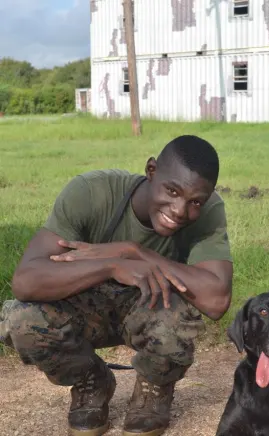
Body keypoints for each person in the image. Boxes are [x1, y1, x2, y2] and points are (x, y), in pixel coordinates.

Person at [0, 135, 233, 436]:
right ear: (151, 170)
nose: (179, 209)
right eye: (172, 191)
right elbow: (25, 281)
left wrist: (135, 252)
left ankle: (154, 389)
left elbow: (216, 300)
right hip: (85, 311)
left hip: (150, 311)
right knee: (21, 319)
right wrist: (112, 266)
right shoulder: (91, 193)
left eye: (195, 202)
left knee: (179, 319)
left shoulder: (209, 211)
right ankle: (91, 379)